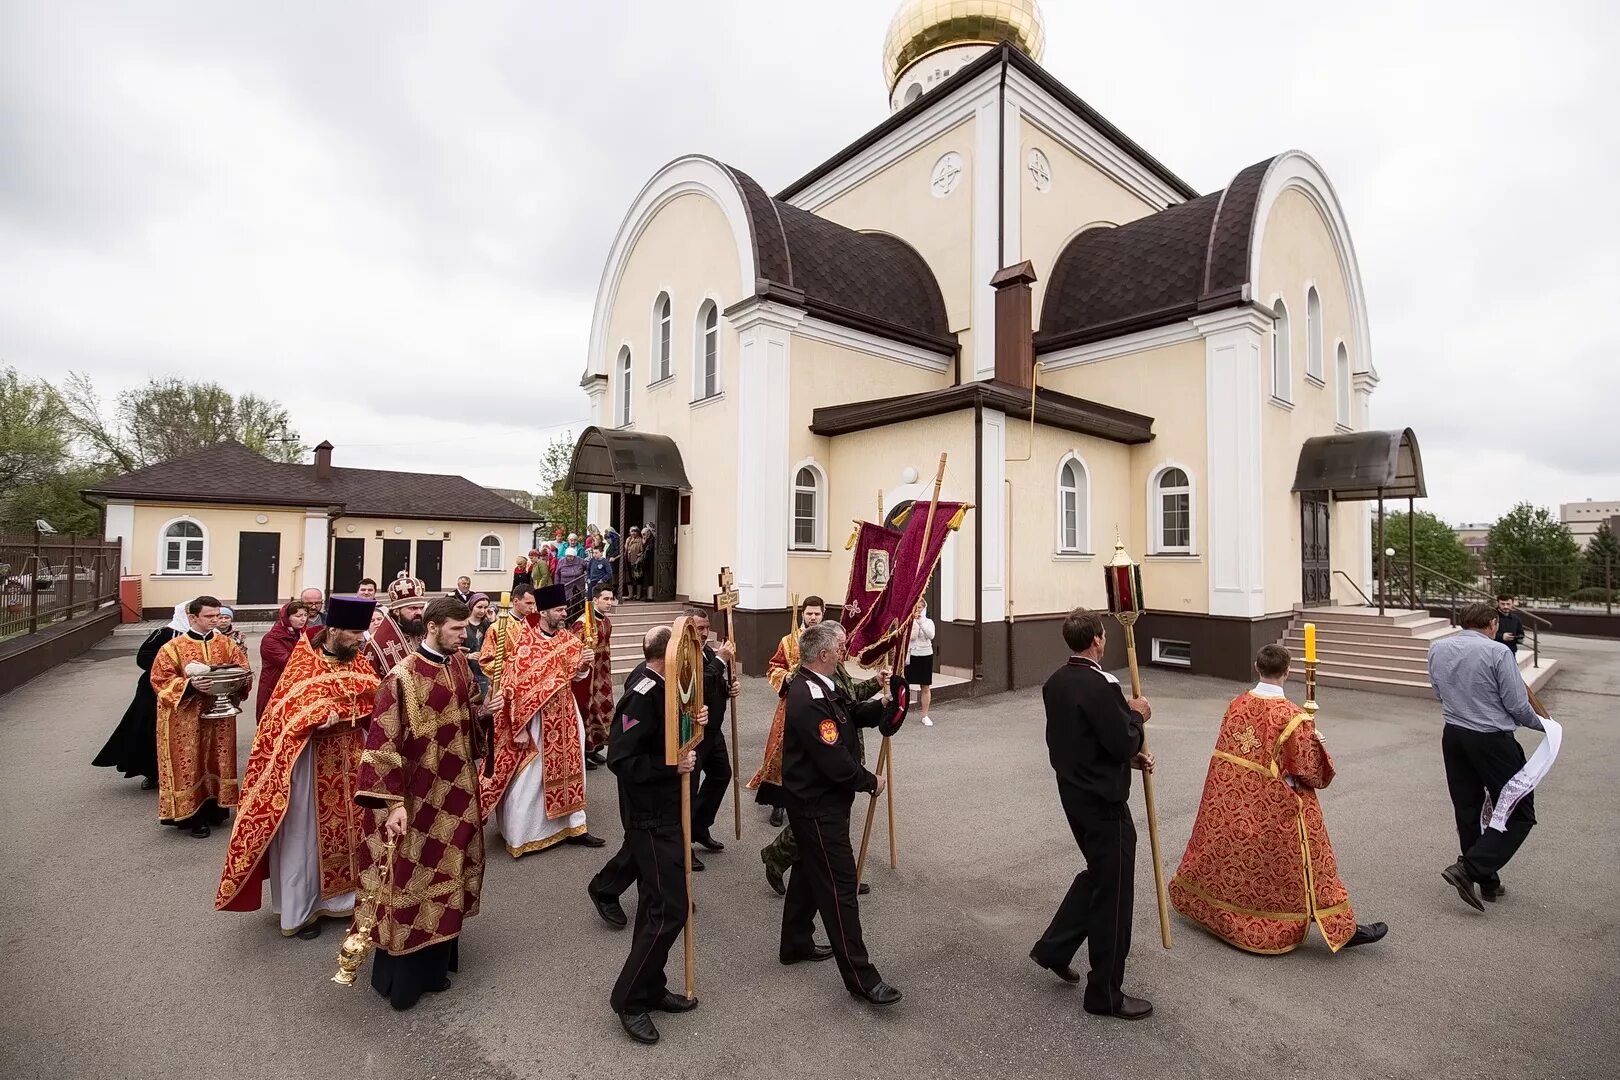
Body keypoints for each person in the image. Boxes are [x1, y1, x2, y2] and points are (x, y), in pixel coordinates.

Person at [1168, 644, 1387, 954]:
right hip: (1275, 806)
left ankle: (1221, 913)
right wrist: (1317, 745)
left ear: (1257, 668)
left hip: (1234, 804)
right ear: (1288, 672)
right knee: (1310, 859)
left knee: (1241, 865)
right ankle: (1339, 925)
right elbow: (1313, 774)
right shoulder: (1292, 716)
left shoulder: (1236, 704)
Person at [215, 595, 381, 938]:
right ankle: (301, 910)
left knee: (354, 831)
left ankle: (346, 901)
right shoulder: (305, 662)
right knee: (304, 839)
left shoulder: (359, 661)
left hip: (351, 758)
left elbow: (374, 697)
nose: (360, 639)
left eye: (362, 633)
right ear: (333, 630)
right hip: (308, 764)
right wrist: (314, 719)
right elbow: (284, 714)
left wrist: (361, 711)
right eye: (353, 632)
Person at [355, 596, 486, 1010]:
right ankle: (404, 981)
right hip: (416, 801)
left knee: (450, 872)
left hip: (458, 793)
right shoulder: (401, 678)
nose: (464, 636)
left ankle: (436, 967)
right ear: (432, 627)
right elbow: (382, 746)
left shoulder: (460, 663)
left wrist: (486, 711)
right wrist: (392, 804)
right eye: (456, 630)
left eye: (465, 629)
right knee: (409, 878)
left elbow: (466, 715)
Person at [1029, 609, 1154, 1020]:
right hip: (1104, 803)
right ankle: (1104, 993)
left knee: (1101, 875)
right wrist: (1136, 715)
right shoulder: (1102, 686)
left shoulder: (1055, 682)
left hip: (1075, 794)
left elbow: (1081, 741)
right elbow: (1119, 739)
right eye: (1103, 635)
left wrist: (1129, 758)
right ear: (1098, 640)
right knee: (1114, 893)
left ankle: (1055, 947)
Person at [780, 620, 907, 1006]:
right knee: (840, 887)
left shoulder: (825, 685)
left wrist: (884, 703)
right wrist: (870, 781)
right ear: (823, 655)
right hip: (817, 805)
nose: (844, 652)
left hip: (821, 803)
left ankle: (795, 942)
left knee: (807, 868)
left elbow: (851, 715)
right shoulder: (807, 697)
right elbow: (832, 758)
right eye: (839, 648)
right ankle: (862, 979)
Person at [600, 627, 707, 1045]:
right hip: (648, 818)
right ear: (671, 657)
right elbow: (621, 758)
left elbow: (674, 734)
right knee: (670, 909)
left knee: (653, 904)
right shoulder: (642, 693)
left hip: (668, 812)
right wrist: (672, 768)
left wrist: (695, 724)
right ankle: (628, 999)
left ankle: (651, 986)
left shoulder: (670, 687)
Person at [751, 597, 884, 895]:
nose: (843, 650)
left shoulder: (837, 668)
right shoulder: (815, 670)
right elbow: (833, 709)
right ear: (826, 649)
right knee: (822, 822)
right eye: (840, 646)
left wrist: (876, 683)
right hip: (828, 753)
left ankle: (835, 872)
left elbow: (853, 696)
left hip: (845, 747)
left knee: (829, 821)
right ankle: (822, 870)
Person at [1428, 601, 1547, 911]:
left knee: (1467, 807)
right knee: (1519, 810)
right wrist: (1544, 725)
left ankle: (1487, 882)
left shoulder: (1438, 648)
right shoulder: (1498, 652)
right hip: (1492, 739)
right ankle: (1469, 869)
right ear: (1493, 624)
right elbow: (1517, 705)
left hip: (1454, 734)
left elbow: (1439, 692)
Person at [479, 583, 606, 854]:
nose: (563, 614)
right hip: (535, 720)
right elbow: (513, 687)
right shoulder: (526, 643)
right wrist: (519, 727)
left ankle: (574, 826)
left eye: (563, 610)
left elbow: (577, 676)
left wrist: (583, 664)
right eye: (559, 610)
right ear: (545, 611)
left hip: (566, 715)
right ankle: (524, 835)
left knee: (573, 770)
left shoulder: (568, 640)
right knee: (530, 778)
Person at [150, 595, 254, 837]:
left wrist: (239, 681)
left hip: (221, 715)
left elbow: (243, 669)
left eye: (218, 616)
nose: (215, 620)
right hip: (185, 717)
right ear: (193, 617)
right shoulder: (173, 647)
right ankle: (192, 816)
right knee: (190, 761)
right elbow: (160, 680)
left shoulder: (227, 644)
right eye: (209, 616)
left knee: (218, 757)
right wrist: (190, 686)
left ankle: (216, 809)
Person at [93, 602, 187, 789]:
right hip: (154, 691)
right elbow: (143, 657)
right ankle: (152, 772)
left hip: (188, 691)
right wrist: (170, 670)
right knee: (151, 730)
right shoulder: (165, 633)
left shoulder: (208, 637)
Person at [688, 607, 741, 853]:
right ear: (688, 628)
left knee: (721, 774)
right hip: (692, 733)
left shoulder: (708, 651)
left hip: (713, 731)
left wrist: (728, 689)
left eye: (707, 628)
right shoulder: (684, 656)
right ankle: (682, 843)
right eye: (700, 628)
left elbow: (714, 685)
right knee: (688, 788)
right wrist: (721, 660)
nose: (705, 633)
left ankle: (700, 825)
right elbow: (699, 686)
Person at [570, 584, 617, 768]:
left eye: (611, 599)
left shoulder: (605, 621)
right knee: (587, 712)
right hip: (587, 678)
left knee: (603, 711)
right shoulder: (583, 623)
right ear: (595, 600)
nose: (609, 602)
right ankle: (583, 752)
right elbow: (573, 650)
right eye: (605, 599)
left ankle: (595, 748)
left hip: (602, 675)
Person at [257, 601, 312, 722]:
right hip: (275, 687)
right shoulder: (272, 639)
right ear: (286, 618)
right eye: (298, 616)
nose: (303, 619)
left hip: (300, 687)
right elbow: (289, 662)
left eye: (305, 615)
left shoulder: (307, 634)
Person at [363, 576, 427, 679]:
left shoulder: (427, 633)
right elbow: (371, 682)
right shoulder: (376, 643)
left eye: (421, 607)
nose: (419, 612)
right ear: (397, 611)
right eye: (413, 608)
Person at [907, 602, 936, 726]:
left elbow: (931, 635)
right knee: (905, 684)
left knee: (925, 685)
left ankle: (925, 715)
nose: (918, 610)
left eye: (920, 607)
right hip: (911, 655)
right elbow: (908, 637)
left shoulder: (928, 622)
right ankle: (902, 712)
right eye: (916, 607)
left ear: (924, 608)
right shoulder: (908, 621)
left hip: (925, 655)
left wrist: (921, 624)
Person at [463, 593, 494, 698]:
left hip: (484, 671)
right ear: (472, 606)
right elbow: (455, 648)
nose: (482, 611)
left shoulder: (486, 624)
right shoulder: (464, 624)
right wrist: (467, 655)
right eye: (479, 607)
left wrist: (492, 621)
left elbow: (496, 641)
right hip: (468, 670)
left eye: (485, 607)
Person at [557, 545, 588, 615]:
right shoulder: (561, 562)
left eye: (571, 556)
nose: (569, 558)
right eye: (567, 556)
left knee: (578, 604)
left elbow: (588, 568)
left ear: (574, 556)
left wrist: (587, 576)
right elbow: (557, 574)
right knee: (567, 604)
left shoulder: (580, 560)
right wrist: (557, 585)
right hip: (565, 586)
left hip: (578, 586)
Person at [623, 527, 646, 601]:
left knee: (637, 578)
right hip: (628, 561)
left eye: (635, 531)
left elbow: (642, 551)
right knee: (629, 578)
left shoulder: (640, 540)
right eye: (632, 531)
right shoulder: (628, 539)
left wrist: (639, 557)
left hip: (636, 562)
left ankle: (638, 595)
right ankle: (630, 595)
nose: (633, 532)